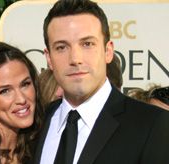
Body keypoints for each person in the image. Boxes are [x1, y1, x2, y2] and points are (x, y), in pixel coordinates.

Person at [34, 0, 169, 164]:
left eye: (87, 44)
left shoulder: (152, 125)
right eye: (61, 47)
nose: (75, 59)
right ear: (49, 58)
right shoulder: (39, 123)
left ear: (108, 51)